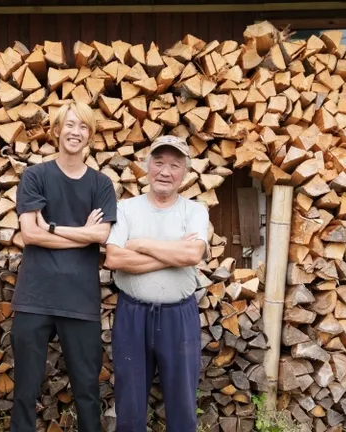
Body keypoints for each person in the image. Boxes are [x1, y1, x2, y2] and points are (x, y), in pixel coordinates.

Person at [10, 101, 117, 432]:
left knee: (87, 391)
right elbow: (29, 233)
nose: (75, 132)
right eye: (69, 125)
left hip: (79, 301)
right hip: (35, 297)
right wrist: (82, 235)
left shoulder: (101, 185)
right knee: (25, 391)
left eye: (83, 126)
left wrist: (53, 228)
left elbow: (100, 234)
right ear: (56, 131)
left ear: (91, 135)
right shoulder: (36, 176)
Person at [104, 135, 209, 432]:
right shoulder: (126, 209)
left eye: (174, 165)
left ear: (184, 173)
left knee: (182, 402)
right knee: (130, 402)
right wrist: (172, 254)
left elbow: (193, 253)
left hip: (179, 316)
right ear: (147, 166)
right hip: (132, 315)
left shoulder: (195, 210)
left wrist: (140, 244)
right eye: (159, 163)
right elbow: (114, 258)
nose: (165, 171)